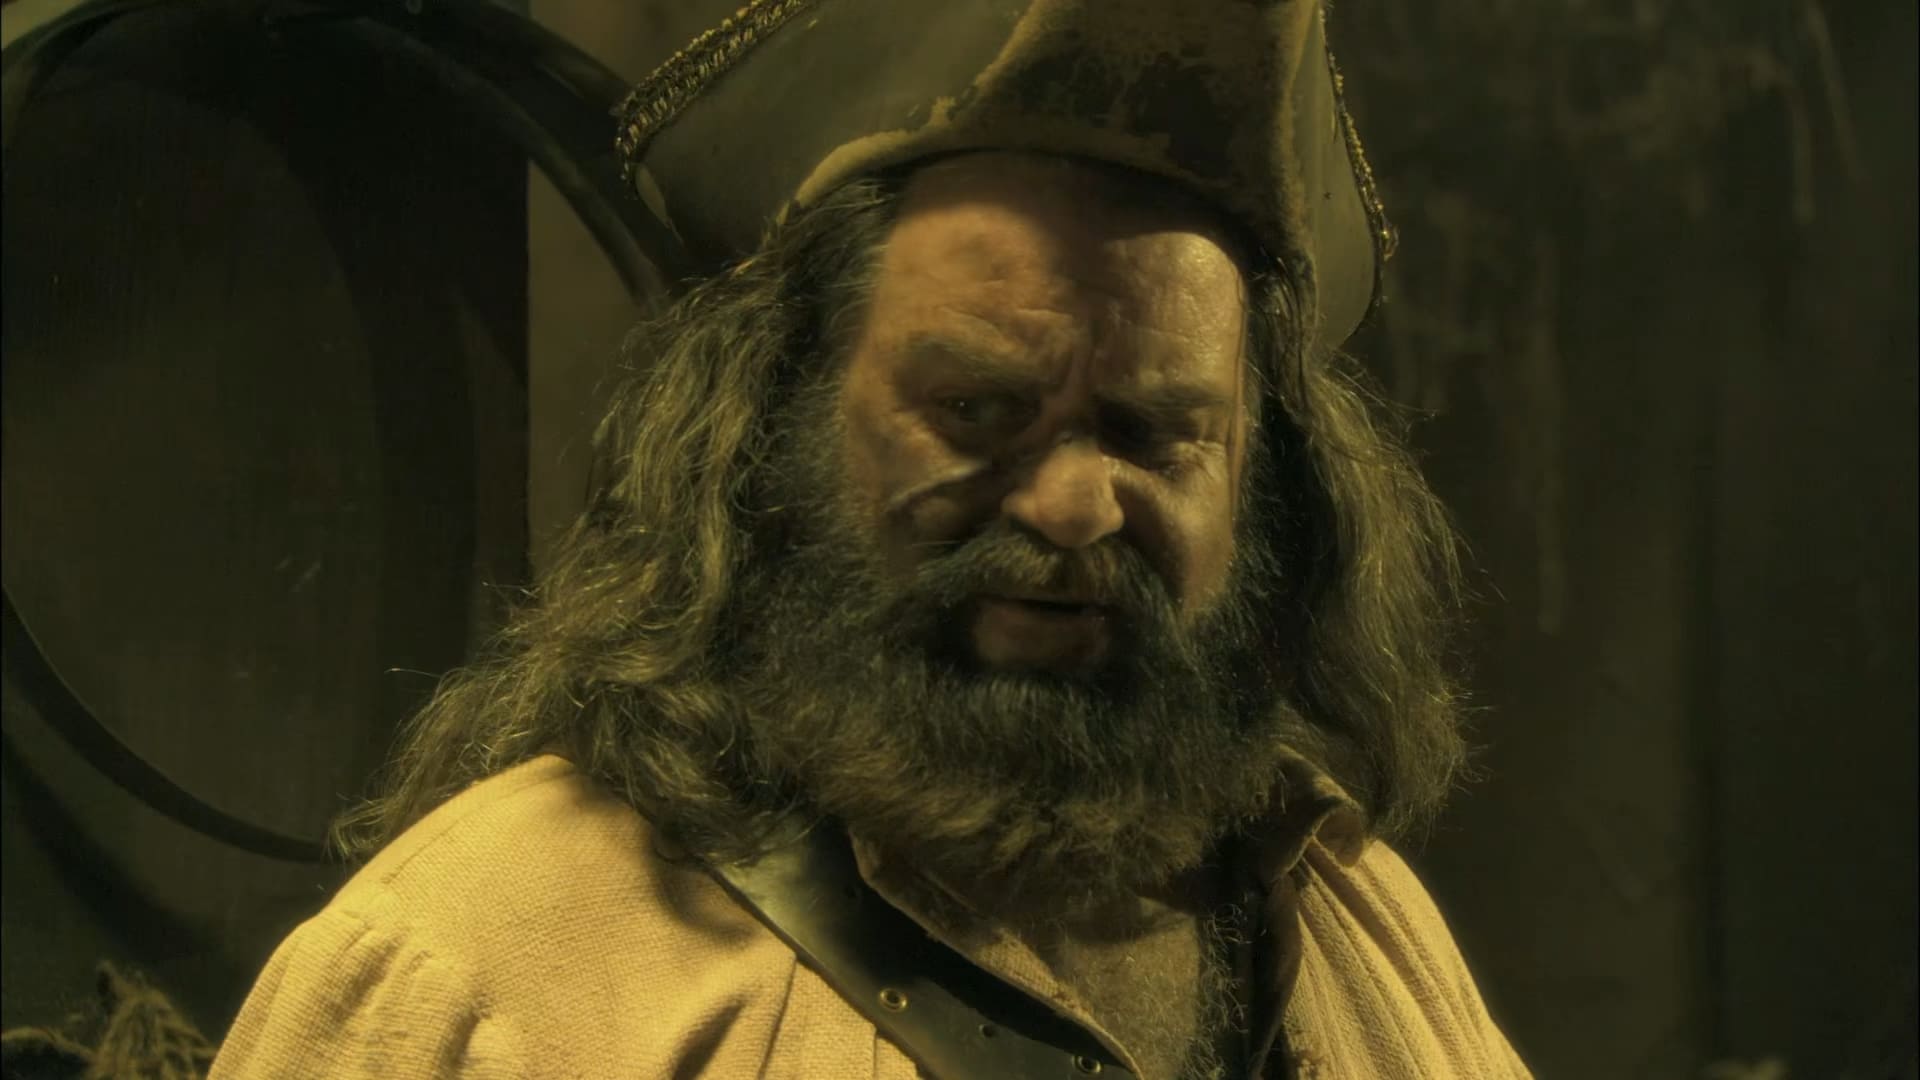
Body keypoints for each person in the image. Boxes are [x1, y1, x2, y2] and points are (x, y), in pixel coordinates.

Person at [209, 1, 1533, 1077]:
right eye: (977, 413)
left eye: (1153, 432)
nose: (1076, 507)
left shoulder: (1354, 925)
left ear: (1261, 483)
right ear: (771, 425)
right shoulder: (483, 970)